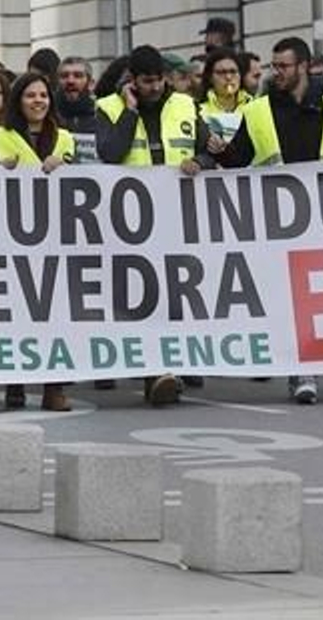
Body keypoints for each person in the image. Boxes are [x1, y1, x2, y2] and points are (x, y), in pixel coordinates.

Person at [235, 37, 323, 405]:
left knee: (314, 296)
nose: (277, 73)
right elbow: (237, 159)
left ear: (304, 66)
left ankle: (313, 365)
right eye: (274, 66)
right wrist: (211, 156)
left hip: (319, 219)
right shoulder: (258, 111)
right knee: (288, 297)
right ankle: (299, 369)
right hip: (272, 219)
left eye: (284, 66)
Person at [95, 44, 202, 407]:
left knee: (176, 291)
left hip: (179, 213)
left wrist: (200, 159)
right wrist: (129, 112)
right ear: (132, 82)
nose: (154, 88)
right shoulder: (109, 108)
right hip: (131, 218)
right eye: (146, 81)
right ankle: (156, 369)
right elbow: (110, 153)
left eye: (158, 80)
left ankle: (167, 365)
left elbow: (209, 149)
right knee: (146, 293)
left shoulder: (186, 105)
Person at [0, 72, 75, 412]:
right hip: (15, 238)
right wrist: (0, 170)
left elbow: (86, 178)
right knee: (19, 313)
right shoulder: (1, 137)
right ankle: (16, 383)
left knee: (59, 315)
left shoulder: (65, 138)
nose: (38, 101)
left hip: (59, 238)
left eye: (44, 95)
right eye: (31, 95)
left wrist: (66, 164)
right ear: (19, 101)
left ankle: (55, 387)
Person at [54, 56, 98, 162]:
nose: (70, 81)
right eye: (64, 76)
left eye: (78, 76)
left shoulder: (103, 116)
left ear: (91, 84)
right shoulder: (47, 117)